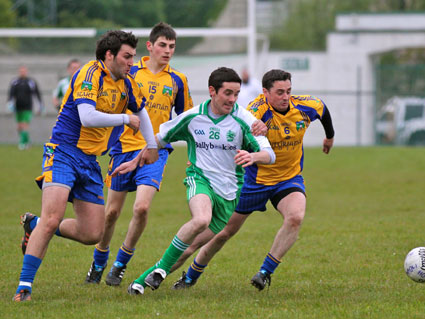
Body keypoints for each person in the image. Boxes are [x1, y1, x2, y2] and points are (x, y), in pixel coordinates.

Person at [13, 30, 159, 302]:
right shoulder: (89, 74)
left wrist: (151, 146)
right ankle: (24, 287)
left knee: (93, 233)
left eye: (133, 57)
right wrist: (124, 120)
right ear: (109, 55)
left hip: (91, 162)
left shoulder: (127, 82)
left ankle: (34, 224)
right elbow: (88, 117)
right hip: (64, 153)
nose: (132, 62)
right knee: (53, 217)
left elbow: (141, 112)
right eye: (127, 56)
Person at [170, 69, 335, 291]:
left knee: (295, 217)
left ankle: (264, 272)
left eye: (288, 91)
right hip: (253, 181)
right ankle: (188, 275)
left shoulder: (306, 105)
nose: (285, 97)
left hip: (288, 179)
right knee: (222, 233)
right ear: (265, 92)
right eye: (279, 92)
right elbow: (234, 137)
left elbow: (323, 111)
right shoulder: (255, 112)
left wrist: (329, 137)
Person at [119, 67, 275, 295]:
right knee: (201, 219)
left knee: (188, 249)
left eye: (236, 94)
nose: (232, 99)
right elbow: (159, 140)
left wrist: (253, 156)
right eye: (227, 93)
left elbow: (269, 155)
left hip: (229, 193)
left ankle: (140, 283)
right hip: (199, 179)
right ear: (212, 91)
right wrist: (134, 162)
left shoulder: (244, 120)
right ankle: (161, 270)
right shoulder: (193, 117)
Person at [84, 22, 193, 286]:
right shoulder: (130, 72)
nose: (168, 51)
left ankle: (121, 262)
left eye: (172, 47)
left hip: (155, 151)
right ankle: (99, 260)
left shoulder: (177, 80)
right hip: (123, 148)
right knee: (110, 214)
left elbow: (187, 120)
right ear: (150, 46)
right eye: (163, 45)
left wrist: (192, 150)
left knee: (142, 208)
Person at [7, 65, 44, 150]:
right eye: (21, 71)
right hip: (18, 107)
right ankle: (27, 140)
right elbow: (11, 94)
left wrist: (40, 106)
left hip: (28, 107)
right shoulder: (15, 82)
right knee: (19, 126)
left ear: (26, 72)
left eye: (24, 71)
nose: (22, 73)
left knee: (24, 125)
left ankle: (22, 143)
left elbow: (37, 94)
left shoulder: (31, 82)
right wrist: (9, 104)